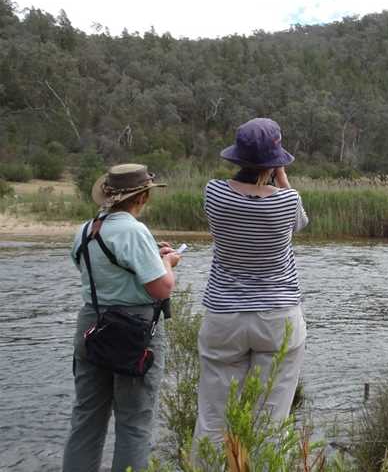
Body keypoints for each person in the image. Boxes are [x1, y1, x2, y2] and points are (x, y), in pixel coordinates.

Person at [194, 117, 309, 446]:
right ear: (274, 162)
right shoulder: (287, 201)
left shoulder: (214, 193)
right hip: (277, 315)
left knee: (213, 419)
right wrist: (281, 174)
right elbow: (300, 223)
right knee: (271, 422)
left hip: (223, 315)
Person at [63, 164, 181, 472]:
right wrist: (168, 262)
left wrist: (149, 257)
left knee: (86, 418)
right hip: (134, 330)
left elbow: (101, 273)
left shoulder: (86, 229)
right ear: (142, 197)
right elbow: (161, 288)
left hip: (91, 324)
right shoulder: (134, 230)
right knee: (134, 422)